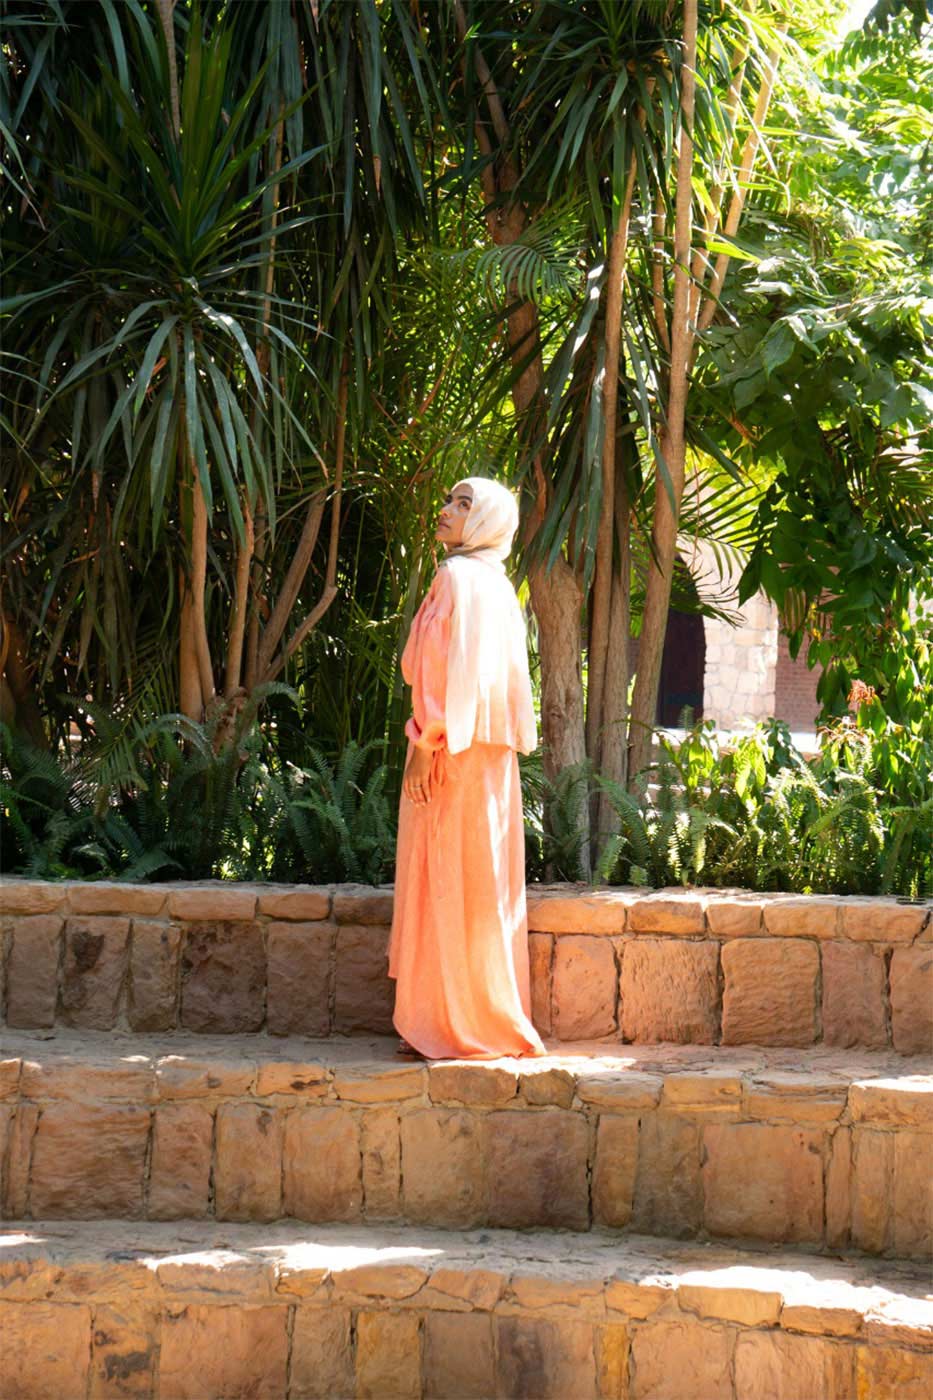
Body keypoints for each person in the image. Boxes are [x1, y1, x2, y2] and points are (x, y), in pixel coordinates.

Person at [387, 476, 547, 1061]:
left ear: (484, 521)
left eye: (463, 504)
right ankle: (483, 1018)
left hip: (449, 752)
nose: (447, 510)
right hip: (490, 760)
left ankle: (444, 1025)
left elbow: (435, 671)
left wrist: (424, 746)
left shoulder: (454, 578)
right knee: (482, 881)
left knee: (442, 877)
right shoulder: (500, 587)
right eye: (451, 500)